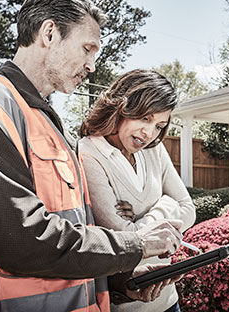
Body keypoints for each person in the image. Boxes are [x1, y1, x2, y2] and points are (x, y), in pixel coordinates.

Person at [0, 0, 183, 312]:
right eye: (87, 49)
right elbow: (22, 241)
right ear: (49, 33)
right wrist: (137, 245)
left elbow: (72, 237)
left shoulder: (51, 128)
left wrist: (122, 280)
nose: (92, 66)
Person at [79, 69, 196, 312]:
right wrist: (168, 206)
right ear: (122, 107)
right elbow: (123, 237)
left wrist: (156, 214)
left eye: (159, 125)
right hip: (128, 303)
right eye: (145, 119)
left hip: (168, 300)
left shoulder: (153, 149)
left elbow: (188, 209)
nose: (149, 133)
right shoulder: (89, 153)